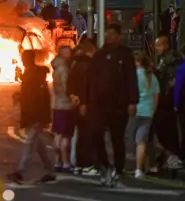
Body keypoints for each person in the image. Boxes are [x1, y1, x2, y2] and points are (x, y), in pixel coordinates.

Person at [80, 23, 139, 186]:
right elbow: (88, 79)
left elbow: (131, 79)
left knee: (117, 138)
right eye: (107, 34)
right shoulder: (99, 56)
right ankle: (104, 165)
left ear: (119, 36)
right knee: (96, 134)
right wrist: (84, 101)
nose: (109, 37)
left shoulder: (125, 55)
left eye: (113, 34)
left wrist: (133, 101)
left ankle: (118, 170)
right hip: (98, 105)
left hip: (118, 104)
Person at [8, 50, 56, 183]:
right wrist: (20, 96)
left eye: (25, 58)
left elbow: (41, 98)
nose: (23, 60)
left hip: (36, 116)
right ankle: (50, 172)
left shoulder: (35, 75)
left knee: (29, 144)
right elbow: (29, 96)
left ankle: (20, 172)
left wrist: (43, 118)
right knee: (40, 146)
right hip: (31, 115)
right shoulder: (29, 74)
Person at [67, 39, 99, 176]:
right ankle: (87, 165)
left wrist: (72, 96)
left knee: (80, 135)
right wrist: (85, 103)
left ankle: (79, 165)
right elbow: (88, 87)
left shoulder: (75, 65)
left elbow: (69, 85)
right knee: (88, 135)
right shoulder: (89, 65)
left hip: (77, 105)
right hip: (87, 105)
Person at [128, 52, 160, 178]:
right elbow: (156, 97)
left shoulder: (133, 76)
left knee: (134, 140)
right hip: (147, 112)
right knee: (142, 141)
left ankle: (137, 167)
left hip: (134, 111)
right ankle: (140, 168)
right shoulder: (152, 77)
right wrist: (152, 110)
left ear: (137, 62)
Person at [152, 35, 182, 169]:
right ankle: (168, 157)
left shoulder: (170, 61)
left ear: (165, 45)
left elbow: (171, 81)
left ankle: (171, 157)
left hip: (167, 102)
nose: (156, 48)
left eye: (158, 45)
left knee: (168, 130)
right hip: (165, 100)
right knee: (164, 130)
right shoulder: (164, 59)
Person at [51, 46, 75, 173]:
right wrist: (72, 98)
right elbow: (66, 88)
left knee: (57, 134)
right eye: (68, 53)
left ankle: (57, 161)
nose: (70, 55)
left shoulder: (56, 69)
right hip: (66, 106)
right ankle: (66, 162)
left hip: (56, 106)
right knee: (65, 136)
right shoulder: (65, 69)